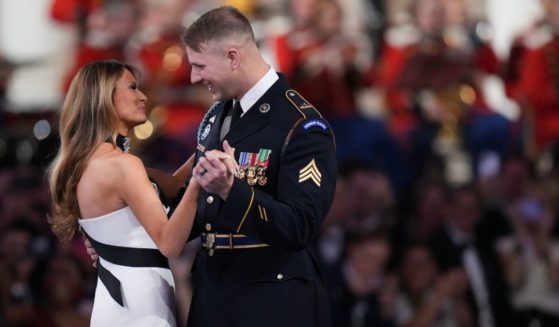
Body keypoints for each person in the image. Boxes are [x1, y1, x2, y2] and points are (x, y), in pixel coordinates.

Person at [47, 60, 236, 326]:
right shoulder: (123, 166)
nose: (143, 96)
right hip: (141, 304)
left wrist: (210, 145)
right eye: (133, 88)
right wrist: (198, 184)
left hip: (117, 301)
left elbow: (171, 185)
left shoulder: (92, 162)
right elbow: (170, 244)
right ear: (105, 98)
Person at [183, 6, 337, 326]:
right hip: (214, 294)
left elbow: (299, 226)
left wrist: (231, 188)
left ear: (233, 57)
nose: (193, 77)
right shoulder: (217, 114)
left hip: (273, 301)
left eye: (199, 65)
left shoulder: (301, 124)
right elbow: (195, 203)